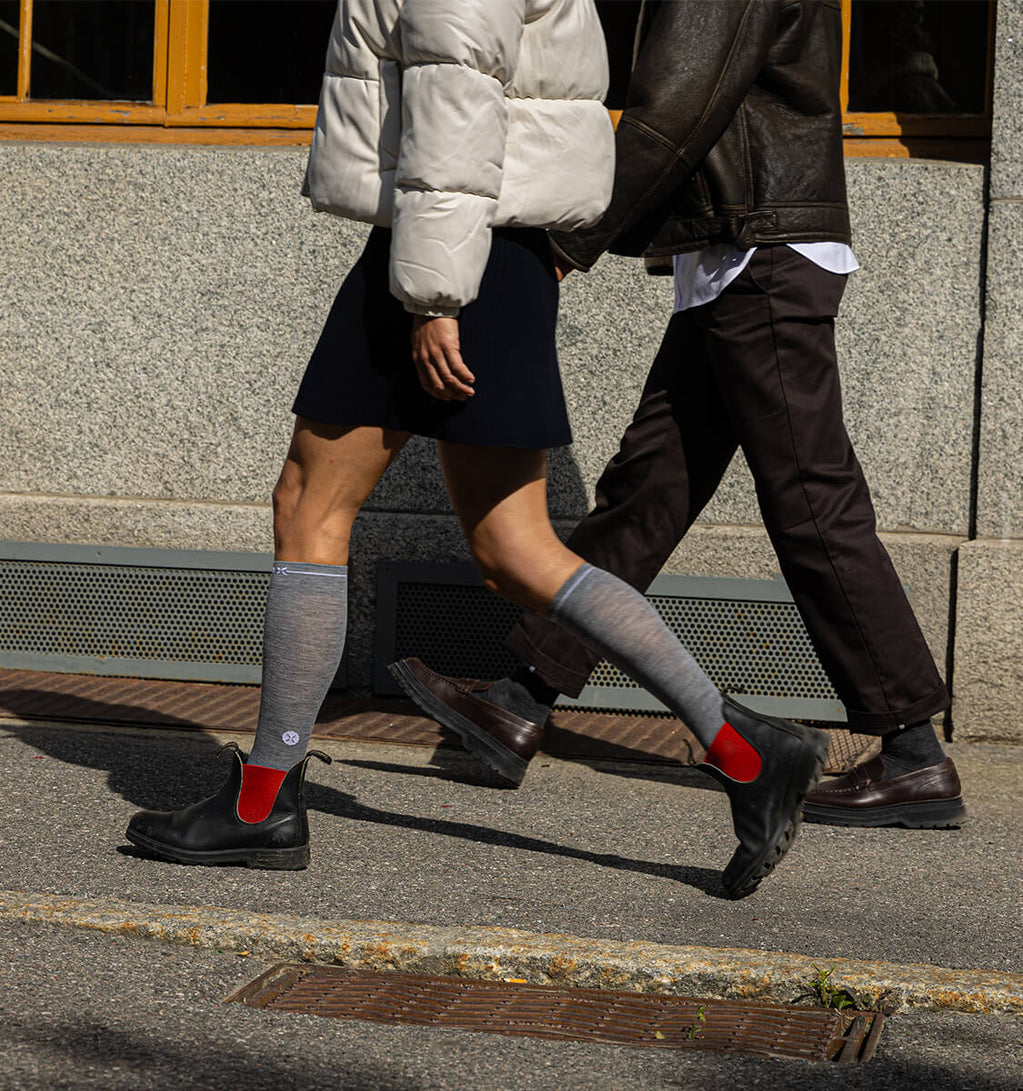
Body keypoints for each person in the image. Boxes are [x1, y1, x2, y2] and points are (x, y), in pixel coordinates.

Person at [124, 0, 829, 900]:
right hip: (490, 250)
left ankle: (263, 800)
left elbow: (458, 98)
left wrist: (431, 296)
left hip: (449, 252)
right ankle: (747, 749)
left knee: (309, 503)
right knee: (515, 548)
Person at [392, 0, 967, 830]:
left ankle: (912, 749)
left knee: (812, 503)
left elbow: (674, 108)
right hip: (735, 256)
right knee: (647, 489)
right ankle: (520, 698)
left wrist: (569, 241)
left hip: (758, 252)